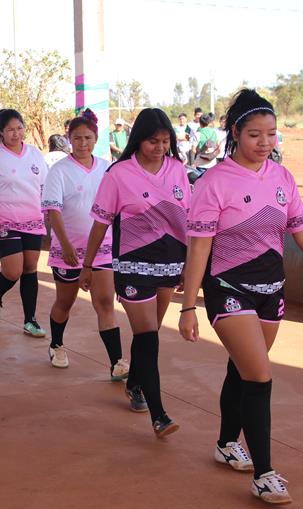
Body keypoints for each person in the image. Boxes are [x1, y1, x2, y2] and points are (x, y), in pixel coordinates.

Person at [179, 89, 303, 504]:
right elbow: (199, 247)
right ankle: (264, 474)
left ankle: (226, 442)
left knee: (243, 370)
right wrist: (189, 306)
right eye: (254, 134)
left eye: (271, 134)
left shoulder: (282, 177)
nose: (264, 143)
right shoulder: (213, 183)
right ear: (235, 133)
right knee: (260, 376)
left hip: (271, 291)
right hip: (228, 288)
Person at [81, 108, 189, 438]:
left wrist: (189, 266)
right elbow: (100, 222)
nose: (159, 147)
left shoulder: (177, 170)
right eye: (153, 141)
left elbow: (186, 216)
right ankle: (159, 414)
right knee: (149, 336)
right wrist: (88, 265)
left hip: (170, 262)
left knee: (150, 332)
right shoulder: (119, 174)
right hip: (132, 263)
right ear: (138, 141)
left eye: (165, 141)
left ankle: (136, 383)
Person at [41, 109, 129, 377]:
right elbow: (53, 211)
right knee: (64, 303)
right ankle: (56, 344)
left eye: (88, 138)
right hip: (68, 251)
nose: (83, 143)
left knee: (104, 303)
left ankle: (117, 363)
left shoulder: (107, 168)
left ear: (96, 137)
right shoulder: (59, 171)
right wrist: (65, 245)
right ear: (69, 139)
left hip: (102, 249)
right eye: (77, 138)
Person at [0, 108, 48, 336]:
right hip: (5, 222)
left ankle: (30, 320)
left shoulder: (35, 154)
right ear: (1, 133)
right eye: (10, 130)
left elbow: (44, 188)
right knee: (13, 271)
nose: (16, 134)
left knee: (30, 268)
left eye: (19, 128)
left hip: (33, 221)